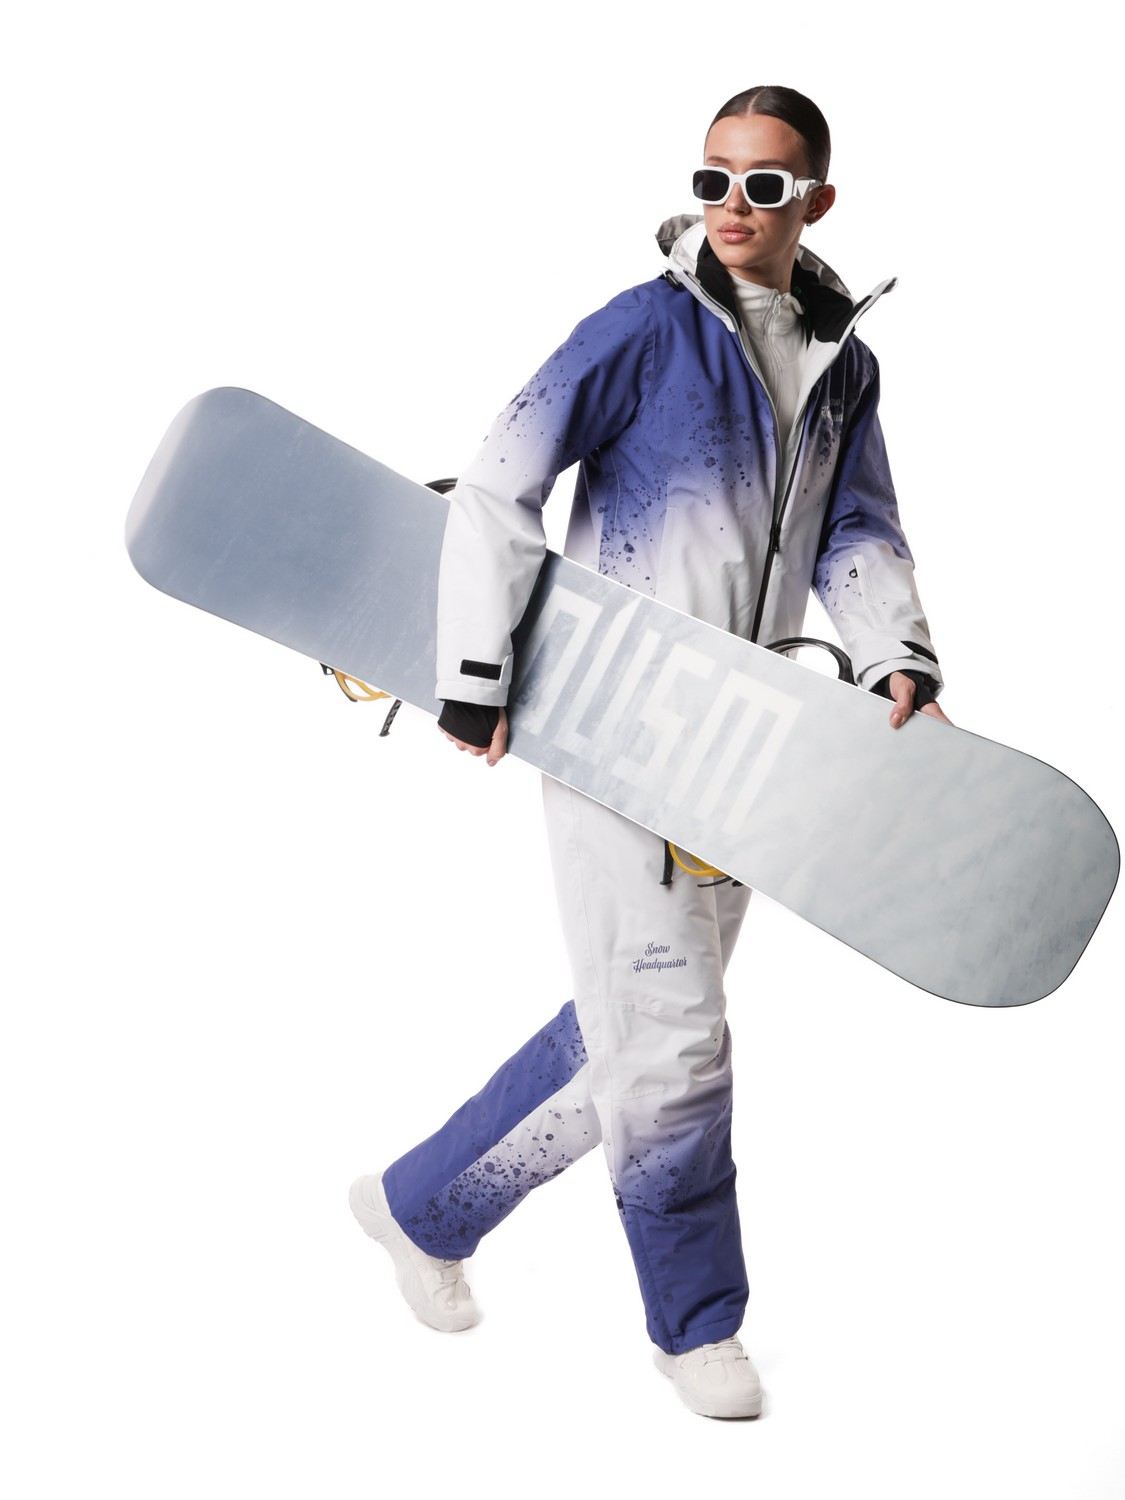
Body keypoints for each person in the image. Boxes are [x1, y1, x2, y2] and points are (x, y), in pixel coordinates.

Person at [350, 84, 949, 1419]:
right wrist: (473, 671)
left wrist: (894, 655)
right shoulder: (641, 328)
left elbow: (858, 528)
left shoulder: (844, 366)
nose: (733, 205)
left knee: (634, 1021)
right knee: (676, 1039)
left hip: (753, 739)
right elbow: (500, 478)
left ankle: (425, 1205)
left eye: (764, 185)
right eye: (713, 177)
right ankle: (698, 1324)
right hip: (615, 722)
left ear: (816, 202)